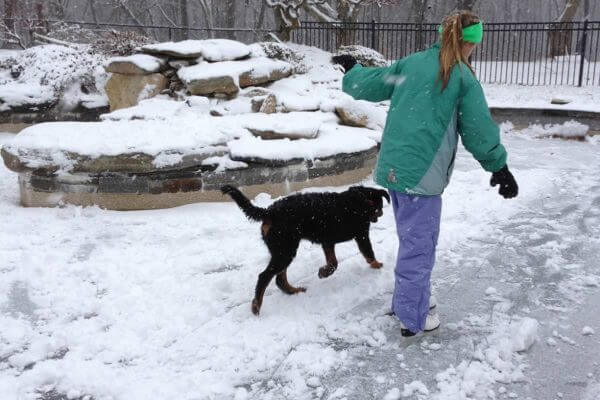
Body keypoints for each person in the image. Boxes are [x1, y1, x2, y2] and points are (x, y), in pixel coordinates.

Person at [333, 11, 518, 337]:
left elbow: (374, 84)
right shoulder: (460, 77)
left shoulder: (411, 64)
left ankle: (406, 299)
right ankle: (412, 317)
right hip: (423, 175)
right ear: (471, 42)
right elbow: (478, 130)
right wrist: (498, 166)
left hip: (394, 168)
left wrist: (353, 72)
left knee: (411, 241)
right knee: (419, 247)